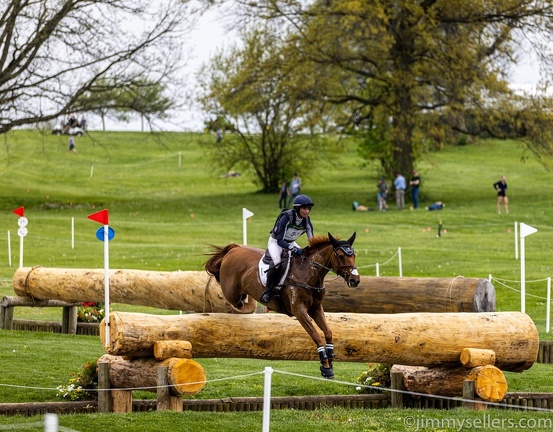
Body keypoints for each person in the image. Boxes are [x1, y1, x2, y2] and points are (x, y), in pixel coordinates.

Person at [260, 194, 314, 303]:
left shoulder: (307, 221)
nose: (307, 211)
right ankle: (268, 290)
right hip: (276, 242)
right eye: (304, 208)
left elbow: (312, 240)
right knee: (277, 262)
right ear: (298, 208)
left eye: (308, 209)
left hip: (291, 242)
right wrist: (293, 249)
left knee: (304, 259)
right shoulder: (287, 217)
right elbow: (280, 240)